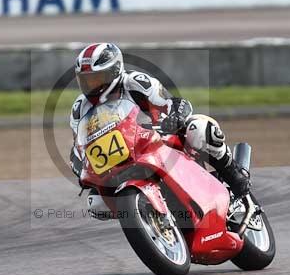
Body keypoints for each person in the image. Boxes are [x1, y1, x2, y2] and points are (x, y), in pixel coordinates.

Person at [68, 42, 252, 203]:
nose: (91, 85)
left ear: (114, 71)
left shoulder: (136, 82)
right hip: (118, 160)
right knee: (96, 203)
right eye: (86, 80)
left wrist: (174, 118)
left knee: (198, 128)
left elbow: (176, 103)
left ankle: (233, 173)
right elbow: (78, 147)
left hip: (156, 140)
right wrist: (80, 168)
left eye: (96, 78)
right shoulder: (80, 108)